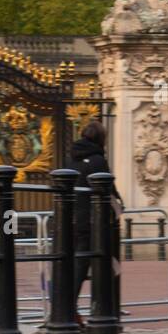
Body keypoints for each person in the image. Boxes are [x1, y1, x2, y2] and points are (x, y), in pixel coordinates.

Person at [69, 118, 114, 321]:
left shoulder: (71, 158)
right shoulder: (97, 160)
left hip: (70, 217)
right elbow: (108, 189)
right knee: (85, 262)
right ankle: (101, 311)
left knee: (70, 262)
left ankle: (65, 306)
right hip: (90, 220)